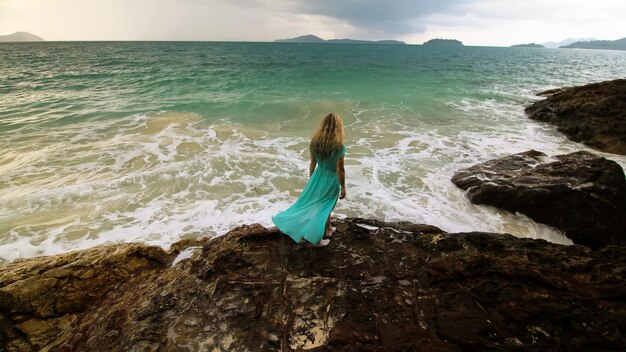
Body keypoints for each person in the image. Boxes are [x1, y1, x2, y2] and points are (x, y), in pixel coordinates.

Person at [272, 113, 346, 246]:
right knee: (324, 208)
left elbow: (312, 163)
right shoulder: (339, 147)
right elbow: (340, 170)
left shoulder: (315, 143)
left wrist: (312, 179)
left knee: (321, 205)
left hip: (318, 176)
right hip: (331, 179)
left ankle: (328, 229)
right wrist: (343, 187)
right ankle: (317, 239)